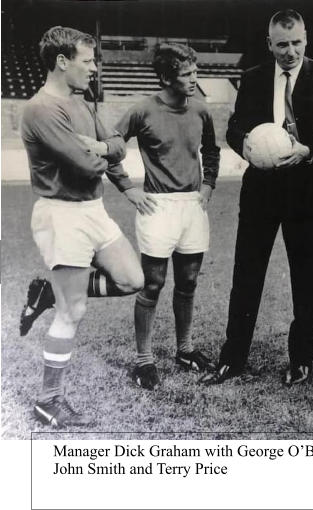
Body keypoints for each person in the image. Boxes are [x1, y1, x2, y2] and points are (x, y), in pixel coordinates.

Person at [201, 9, 313, 386]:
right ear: (269, 44)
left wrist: (309, 151)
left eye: (296, 42)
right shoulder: (252, 78)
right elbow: (235, 128)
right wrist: (247, 146)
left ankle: (301, 360)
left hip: (306, 193)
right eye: (282, 44)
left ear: (306, 39)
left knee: (305, 278)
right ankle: (233, 357)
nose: (290, 51)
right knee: (246, 274)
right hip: (260, 193)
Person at [19, 26, 146, 428]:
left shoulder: (84, 102)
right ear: (62, 61)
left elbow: (117, 146)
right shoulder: (41, 109)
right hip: (62, 215)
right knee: (73, 310)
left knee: (131, 279)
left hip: (93, 209)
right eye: (87, 61)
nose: (94, 69)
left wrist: (100, 146)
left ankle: (48, 293)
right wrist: (100, 151)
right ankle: (48, 400)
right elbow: (90, 164)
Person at [115, 43, 220, 390]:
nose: (195, 79)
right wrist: (127, 188)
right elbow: (112, 146)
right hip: (157, 206)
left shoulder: (202, 111)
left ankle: (185, 350)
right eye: (187, 74)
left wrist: (208, 185)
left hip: (192, 205)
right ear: (165, 77)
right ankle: (144, 361)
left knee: (188, 281)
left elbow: (211, 151)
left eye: (195, 71)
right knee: (153, 283)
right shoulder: (142, 110)